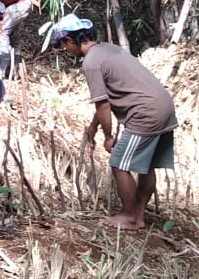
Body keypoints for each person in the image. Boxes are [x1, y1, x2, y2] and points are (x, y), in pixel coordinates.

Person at [50, 13, 178, 230]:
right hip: (164, 106)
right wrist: (93, 127)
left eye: (64, 46)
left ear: (70, 40)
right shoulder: (108, 49)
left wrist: (108, 137)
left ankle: (129, 216)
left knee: (119, 163)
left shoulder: (91, 62)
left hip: (145, 113)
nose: (66, 50)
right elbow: (105, 100)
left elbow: (103, 105)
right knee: (146, 166)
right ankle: (138, 218)